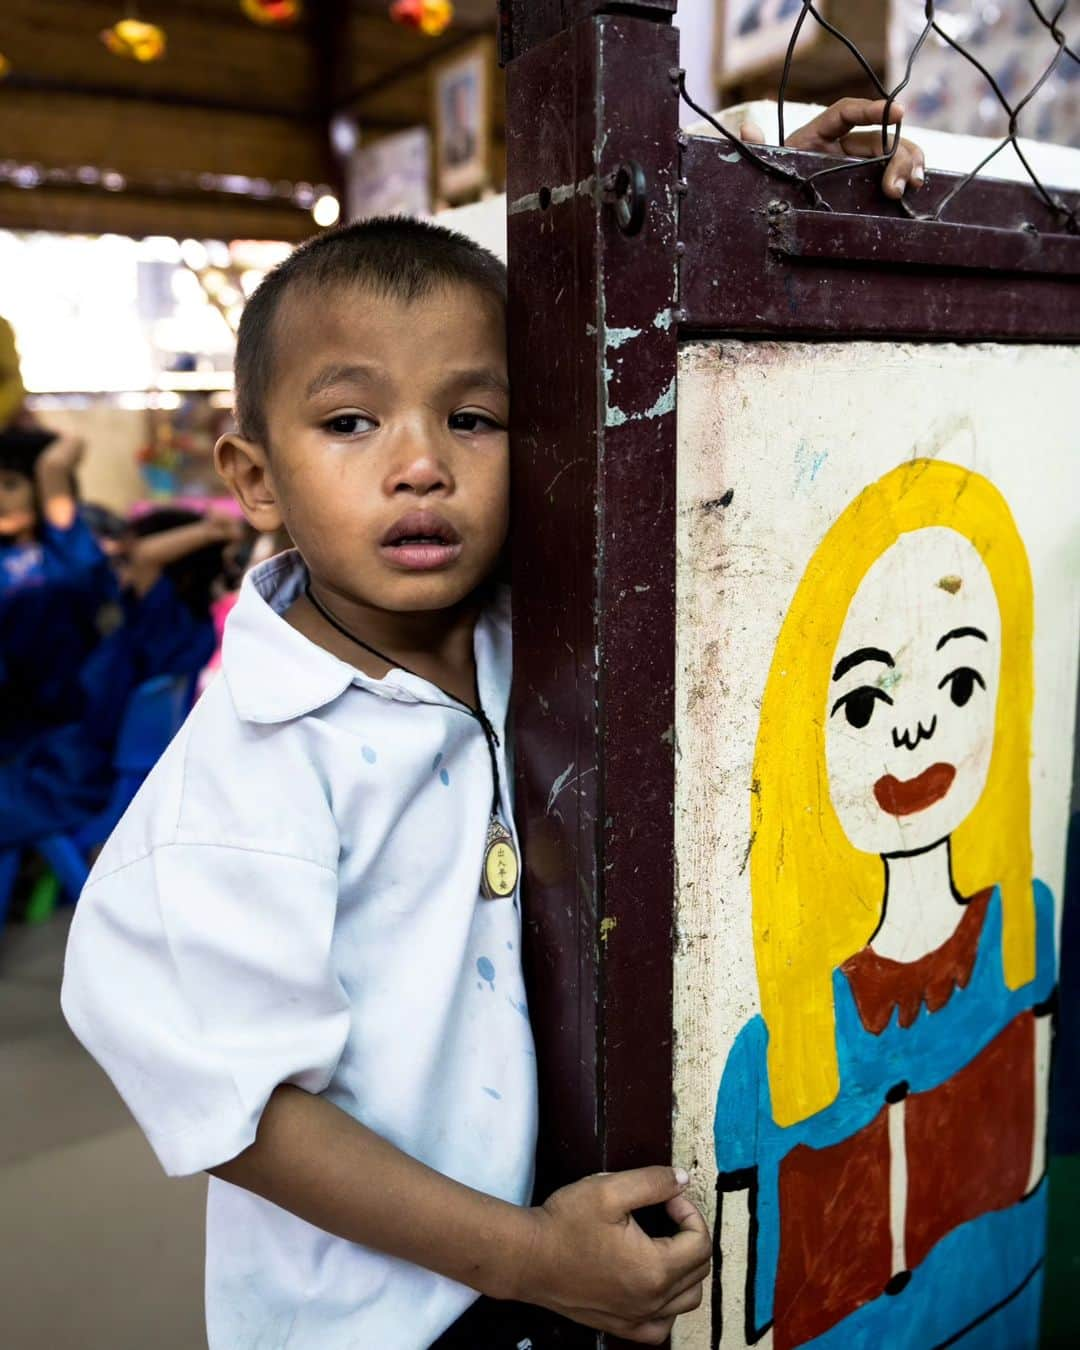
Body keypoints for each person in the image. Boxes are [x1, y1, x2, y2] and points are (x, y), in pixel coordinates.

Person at [62, 101, 927, 1350]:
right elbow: (243, 1115)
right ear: (253, 477)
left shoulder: (534, 632)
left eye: (473, 418)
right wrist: (529, 1259)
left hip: (536, 1271)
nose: (420, 464)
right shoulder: (243, 780)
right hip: (376, 1319)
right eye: (350, 422)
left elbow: (593, 271)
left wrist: (760, 174)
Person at [713, 460, 1054, 1349]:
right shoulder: (767, 1060)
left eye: (960, 685)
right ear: (805, 739)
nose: (915, 728)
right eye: (865, 701)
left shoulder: (1031, 933)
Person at [0, 431, 116, 753]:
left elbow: (54, 465)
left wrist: (35, 440)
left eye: (10, 484)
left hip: (74, 729)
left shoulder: (64, 549)